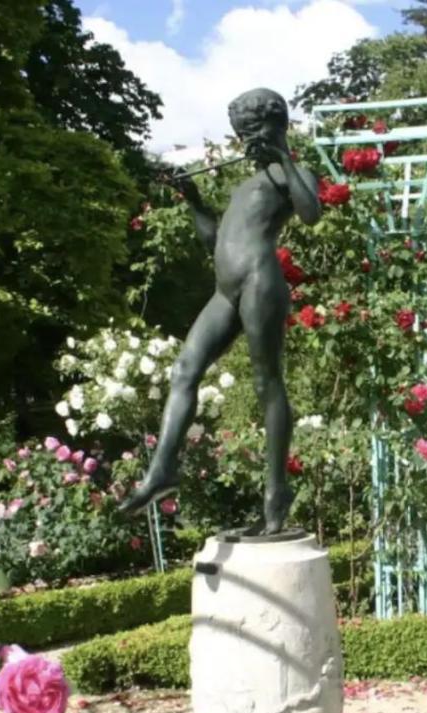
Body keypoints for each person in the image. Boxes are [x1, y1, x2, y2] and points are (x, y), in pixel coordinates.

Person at [120, 88, 321, 535]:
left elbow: (311, 213)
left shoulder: (290, 174)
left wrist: (283, 159)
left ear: (275, 128)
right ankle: (162, 471)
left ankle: (276, 492)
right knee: (184, 370)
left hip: (259, 282)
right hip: (224, 289)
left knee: (267, 380)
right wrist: (193, 200)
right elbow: (214, 243)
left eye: (253, 132)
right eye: (241, 134)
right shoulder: (243, 186)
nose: (246, 141)